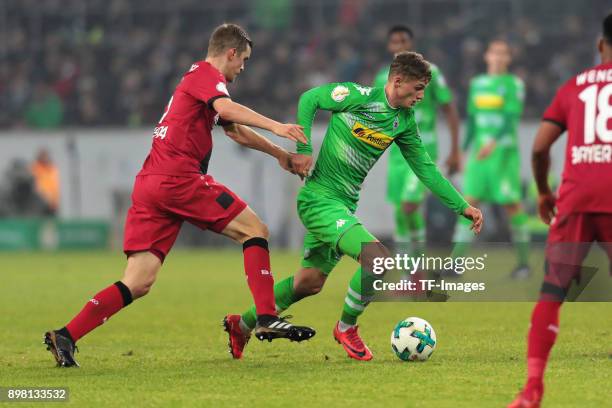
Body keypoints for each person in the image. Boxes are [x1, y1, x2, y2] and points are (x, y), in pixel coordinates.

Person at [44, 23, 315, 368]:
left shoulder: (198, 84)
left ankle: (66, 335)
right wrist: (278, 126)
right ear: (230, 53)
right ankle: (265, 316)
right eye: (243, 60)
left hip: (151, 183)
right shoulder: (205, 75)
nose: (243, 68)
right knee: (255, 230)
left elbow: (232, 128)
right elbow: (228, 111)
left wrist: (278, 153)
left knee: (139, 280)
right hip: (178, 178)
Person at [224, 52, 483, 360]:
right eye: (417, 88)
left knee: (309, 282)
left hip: (343, 206)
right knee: (377, 259)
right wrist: (304, 149)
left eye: (424, 89)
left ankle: (240, 325)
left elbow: (425, 169)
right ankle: (346, 328)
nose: (421, 96)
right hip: (319, 200)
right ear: (398, 81)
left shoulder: (403, 122)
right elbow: (310, 99)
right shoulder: (356, 96)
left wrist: (462, 206)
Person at [508, 13, 612, 408]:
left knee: (552, 291)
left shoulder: (575, 86)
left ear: (601, 46)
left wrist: (543, 191)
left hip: (577, 197)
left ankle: (532, 388)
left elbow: (539, 147)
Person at [374, 25, 460, 256]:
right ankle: (409, 274)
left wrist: (455, 151)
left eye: (404, 41)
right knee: (402, 213)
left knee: (409, 205)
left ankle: (417, 268)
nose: (399, 46)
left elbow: (449, 108)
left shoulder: (431, 72)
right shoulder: (383, 78)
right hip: (396, 155)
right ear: (389, 46)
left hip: (423, 151)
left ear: (411, 44)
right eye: (395, 42)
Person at [453, 39, 530, 278]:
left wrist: (493, 143)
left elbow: (510, 119)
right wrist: (461, 151)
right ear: (486, 56)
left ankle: (524, 264)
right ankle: (455, 264)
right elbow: (473, 121)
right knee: (468, 204)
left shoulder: (513, 84)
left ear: (508, 58)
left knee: (512, 206)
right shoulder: (477, 84)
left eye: (503, 53)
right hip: (479, 156)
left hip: (503, 154)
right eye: (494, 52)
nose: (497, 57)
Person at [31, 148, 60, 215]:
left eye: (46, 156)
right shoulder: (34, 168)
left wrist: (55, 201)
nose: (45, 159)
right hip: (39, 202)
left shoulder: (52, 169)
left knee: (51, 222)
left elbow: (55, 187)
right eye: (43, 156)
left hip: (51, 202)